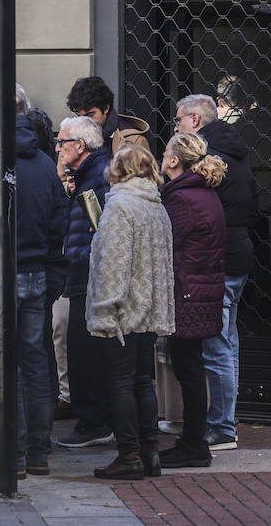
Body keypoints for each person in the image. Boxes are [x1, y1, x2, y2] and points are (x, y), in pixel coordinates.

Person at [0, 95, 70, 478]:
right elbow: (60, 222)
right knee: (34, 363)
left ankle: (13, 452)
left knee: (1, 366)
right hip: (36, 273)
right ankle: (37, 450)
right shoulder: (45, 165)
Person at [86, 145, 175, 481]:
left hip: (122, 312)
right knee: (142, 381)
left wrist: (105, 310)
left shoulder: (120, 206)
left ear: (118, 170)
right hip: (149, 309)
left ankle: (129, 455)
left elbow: (113, 264)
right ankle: (149, 450)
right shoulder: (157, 207)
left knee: (120, 382)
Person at [174, 94, 257, 452]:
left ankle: (222, 427)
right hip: (238, 256)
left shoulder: (210, 160)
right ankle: (223, 420)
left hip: (218, 261)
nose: (176, 126)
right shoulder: (236, 154)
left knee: (217, 345)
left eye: (179, 120)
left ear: (195, 119)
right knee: (228, 343)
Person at [158, 132, 227, 469]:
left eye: (166, 151)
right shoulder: (202, 193)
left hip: (188, 293)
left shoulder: (183, 198)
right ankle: (194, 441)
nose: (161, 154)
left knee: (189, 370)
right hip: (200, 290)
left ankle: (194, 444)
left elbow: (165, 242)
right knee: (192, 368)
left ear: (174, 160)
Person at [55, 115, 115, 450]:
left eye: (62, 142)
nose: (58, 148)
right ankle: (92, 418)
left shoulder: (99, 175)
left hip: (89, 275)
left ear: (80, 145)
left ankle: (94, 420)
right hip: (80, 273)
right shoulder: (83, 175)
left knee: (86, 351)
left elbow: (100, 229)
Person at [67, 76, 151, 156]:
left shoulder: (133, 141)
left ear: (106, 108)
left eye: (90, 115)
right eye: (80, 117)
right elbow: (62, 170)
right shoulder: (70, 138)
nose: (85, 122)